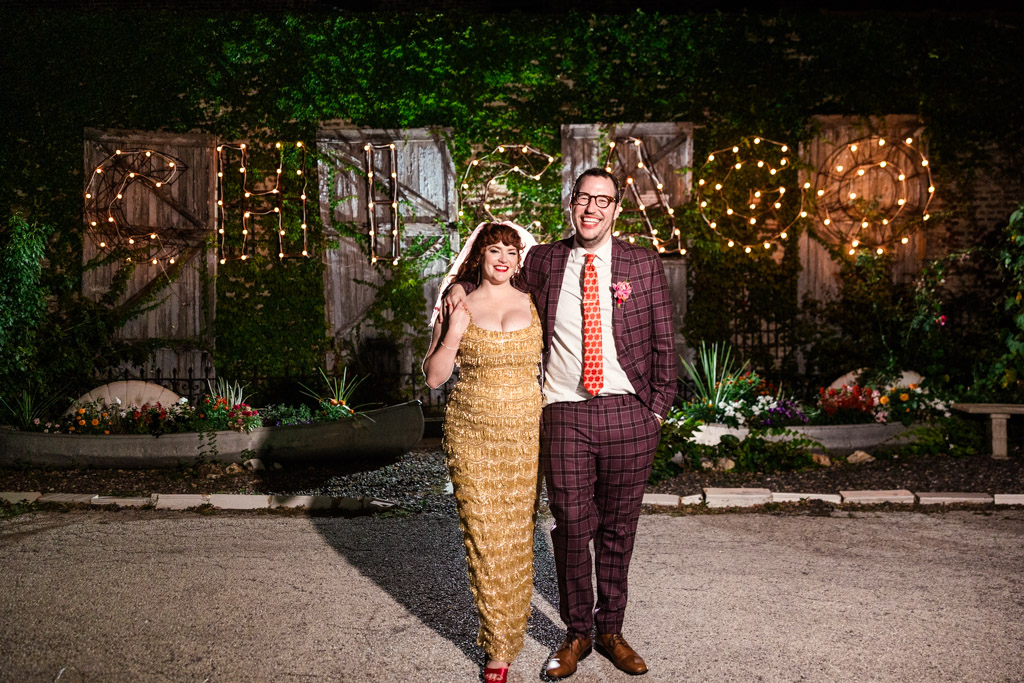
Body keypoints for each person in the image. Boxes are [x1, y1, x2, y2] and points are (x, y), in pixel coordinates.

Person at [444, 168, 676, 679]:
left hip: (629, 412)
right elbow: (494, 275)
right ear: (571, 205)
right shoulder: (546, 259)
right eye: (583, 199)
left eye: (604, 200)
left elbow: (664, 339)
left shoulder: (641, 261)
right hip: (565, 411)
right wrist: (460, 287)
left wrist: (656, 411)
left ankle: (611, 629)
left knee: (619, 528)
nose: (592, 209)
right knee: (572, 526)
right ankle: (577, 633)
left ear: (617, 209)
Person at [423, 222, 544, 683]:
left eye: (510, 252)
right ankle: (498, 646)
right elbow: (434, 378)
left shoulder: (536, 300)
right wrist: (454, 326)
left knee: (517, 536)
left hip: (525, 435)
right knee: (484, 537)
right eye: (494, 249)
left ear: (519, 260)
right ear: (479, 254)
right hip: (472, 433)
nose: (502, 258)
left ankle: (511, 628)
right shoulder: (457, 302)